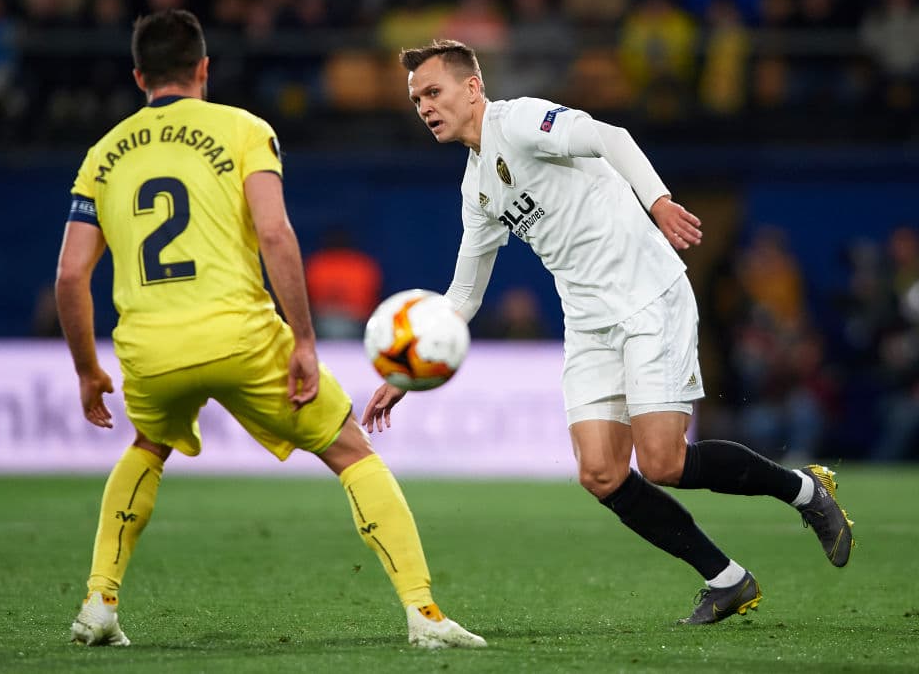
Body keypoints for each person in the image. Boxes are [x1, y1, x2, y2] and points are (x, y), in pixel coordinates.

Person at [362, 39, 855, 625]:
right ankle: (727, 580)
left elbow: (610, 137)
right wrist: (406, 372)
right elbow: (464, 295)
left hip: (649, 296)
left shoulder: (518, 121)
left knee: (665, 462)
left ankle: (804, 490)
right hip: (589, 321)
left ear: (472, 87)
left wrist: (659, 201)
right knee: (601, 473)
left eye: (434, 92)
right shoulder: (476, 189)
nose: (424, 106)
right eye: (417, 98)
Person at [56, 11, 484, 649]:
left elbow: (69, 277)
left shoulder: (103, 155)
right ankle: (423, 614)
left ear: (140, 75)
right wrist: (305, 342)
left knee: (148, 444)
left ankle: (98, 600)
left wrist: (88, 371)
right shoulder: (243, 130)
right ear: (204, 69)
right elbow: (277, 234)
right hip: (241, 336)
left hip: (148, 347)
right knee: (350, 451)